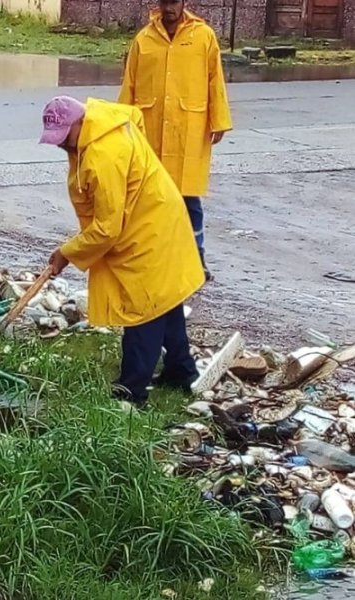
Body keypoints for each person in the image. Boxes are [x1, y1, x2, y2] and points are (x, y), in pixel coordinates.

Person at [41, 95, 204, 407]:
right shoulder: (100, 127)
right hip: (155, 217)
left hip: (148, 230)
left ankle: (132, 390)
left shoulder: (104, 154)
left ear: (79, 122)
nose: (61, 145)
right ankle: (181, 371)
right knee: (165, 299)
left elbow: (107, 227)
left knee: (141, 308)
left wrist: (68, 252)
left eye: (64, 137)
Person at [118, 0, 232, 281]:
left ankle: (197, 258)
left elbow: (214, 80)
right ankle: (153, 259)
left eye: (174, 2)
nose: (169, 8)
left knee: (188, 199)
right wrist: (122, 125)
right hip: (150, 133)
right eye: (165, 2)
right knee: (150, 200)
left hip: (187, 132)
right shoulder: (144, 40)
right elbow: (129, 85)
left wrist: (219, 121)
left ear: (183, 4)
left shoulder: (203, 36)